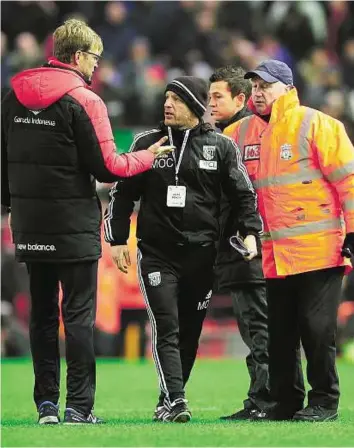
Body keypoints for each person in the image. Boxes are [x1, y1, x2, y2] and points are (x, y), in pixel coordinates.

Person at [1, 19, 171, 425]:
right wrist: (148, 157)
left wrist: (14, 208)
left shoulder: (12, 97)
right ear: (77, 57)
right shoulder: (85, 100)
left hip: (29, 225)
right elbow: (110, 167)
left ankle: (45, 406)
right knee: (77, 317)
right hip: (74, 225)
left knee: (42, 316)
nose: (96, 66)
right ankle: (79, 407)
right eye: (94, 57)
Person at [104, 76, 263, 422]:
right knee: (167, 326)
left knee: (189, 333)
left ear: (194, 105)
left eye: (176, 98)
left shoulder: (220, 146)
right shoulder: (148, 142)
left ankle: (167, 398)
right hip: (157, 254)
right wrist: (116, 240)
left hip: (202, 256)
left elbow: (243, 196)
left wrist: (251, 232)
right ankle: (177, 400)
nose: (168, 104)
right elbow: (122, 194)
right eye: (166, 97)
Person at [230, 59, 354, 422]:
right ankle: (284, 401)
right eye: (254, 86)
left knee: (316, 330)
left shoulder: (318, 125)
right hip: (273, 253)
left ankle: (324, 401)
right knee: (280, 335)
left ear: (287, 88)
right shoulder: (239, 133)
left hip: (320, 251)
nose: (258, 92)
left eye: (265, 86)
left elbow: (349, 182)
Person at [209, 66, 272, 420]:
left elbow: (242, 197)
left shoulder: (238, 136)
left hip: (246, 248)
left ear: (240, 99)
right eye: (209, 96)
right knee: (260, 326)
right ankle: (269, 397)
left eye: (218, 96)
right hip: (247, 247)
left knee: (257, 327)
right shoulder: (244, 133)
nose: (211, 103)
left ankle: (264, 400)